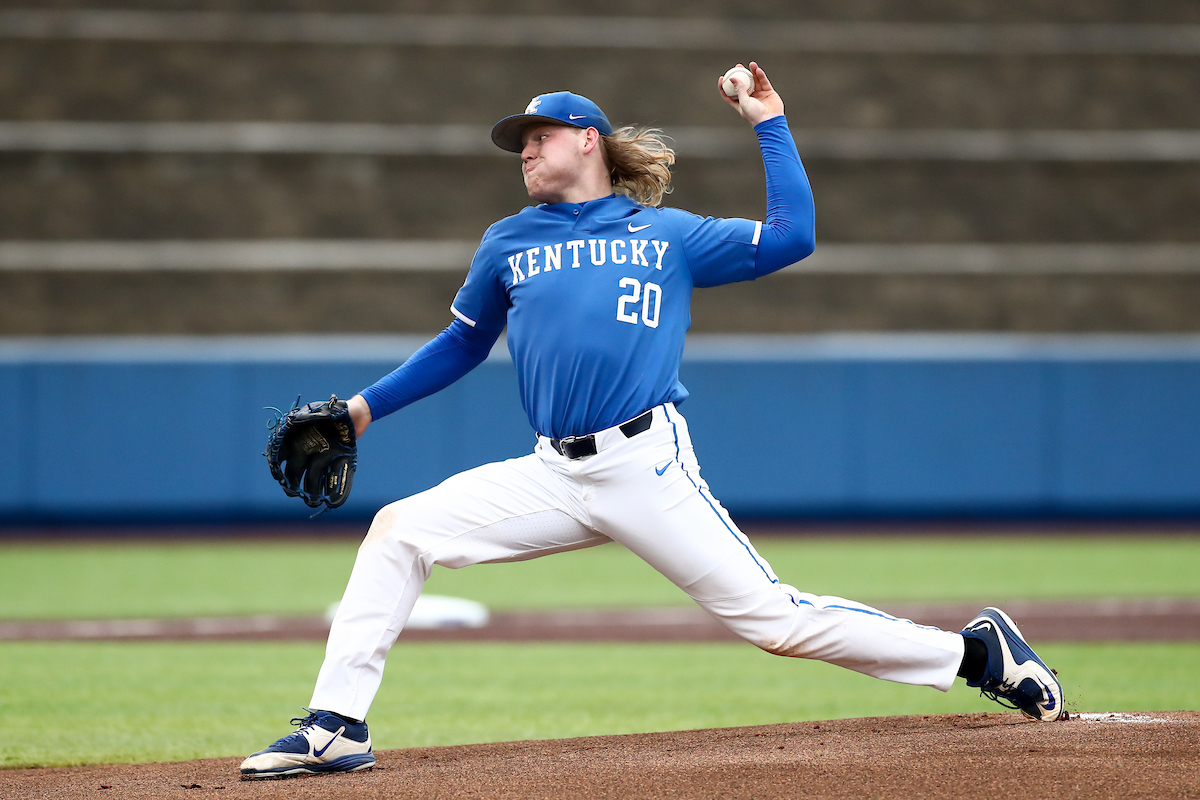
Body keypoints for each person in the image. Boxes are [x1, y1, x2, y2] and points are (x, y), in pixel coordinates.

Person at [240, 62, 1065, 780]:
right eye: (519, 141)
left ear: (588, 141)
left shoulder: (664, 233)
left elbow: (793, 237)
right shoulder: (507, 241)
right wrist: (360, 411)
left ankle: (973, 653)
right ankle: (334, 728)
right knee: (399, 531)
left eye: (540, 136)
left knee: (773, 621)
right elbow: (461, 345)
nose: (525, 150)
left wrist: (770, 125)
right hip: (552, 473)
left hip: (646, 466)